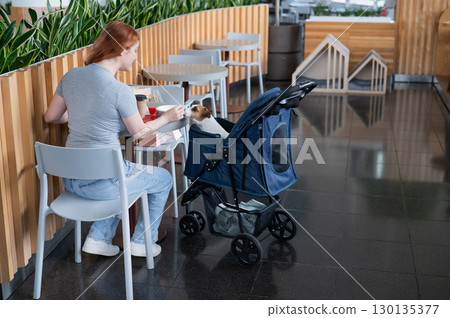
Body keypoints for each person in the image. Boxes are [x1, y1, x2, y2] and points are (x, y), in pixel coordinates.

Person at [44, 21, 185, 258]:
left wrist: (82, 116)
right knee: (161, 178)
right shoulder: (119, 90)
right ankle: (142, 242)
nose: (136, 56)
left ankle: (98, 238)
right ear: (123, 50)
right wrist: (167, 117)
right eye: (135, 51)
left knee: (121, 177)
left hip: (70, 181)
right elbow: (140, 134)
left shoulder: (70, 76)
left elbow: (52, 116)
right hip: (104, 186)